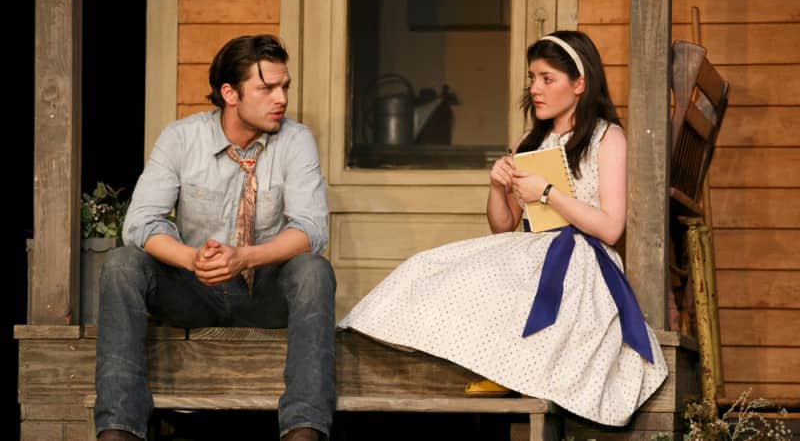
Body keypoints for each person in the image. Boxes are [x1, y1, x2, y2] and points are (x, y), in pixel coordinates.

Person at [337, 30, 668, 427]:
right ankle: (463, 357)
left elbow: (611, 228)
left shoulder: (606, 137)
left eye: (548, 79)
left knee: (522, 285)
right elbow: (505, 225)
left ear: (579, 84)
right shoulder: (530, 141)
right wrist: (497, 186)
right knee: (434, 265)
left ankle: (517, 369)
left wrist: (547, 193)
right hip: (531, 245)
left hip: (582, 256)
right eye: (533, 78)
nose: (536, 89)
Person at [94, 34, 336, 441]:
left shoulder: (296, 140)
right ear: (230, 93)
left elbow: (311, 229)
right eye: (267, 88)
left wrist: (244, 257)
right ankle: (119, 430)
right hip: (195, 291)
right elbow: (139, 221)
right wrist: (191, 260)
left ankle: (303, 430)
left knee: (314, 270)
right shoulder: (181, 137)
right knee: (122, 264)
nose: (281, 98)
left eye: (285, 86)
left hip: (264, 292)